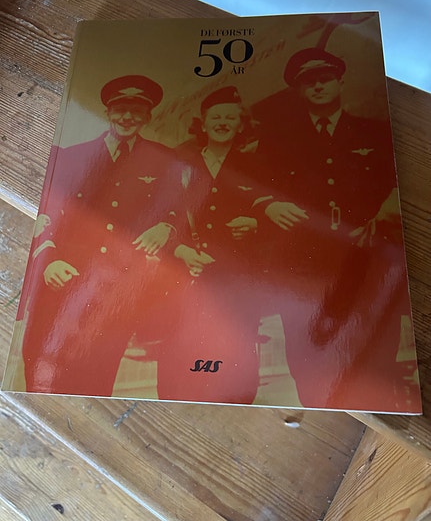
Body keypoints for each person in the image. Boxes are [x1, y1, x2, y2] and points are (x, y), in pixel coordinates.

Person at [255, 47, 417, 411]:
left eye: (325, 79)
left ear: (340, 82)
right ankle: (315, 407)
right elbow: (254, 181)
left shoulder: (373, 131)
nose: (318, 86)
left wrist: (386, 212)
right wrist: (268, 204)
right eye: (308, 82)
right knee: (305, 347)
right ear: (299, 90)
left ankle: (385, 407)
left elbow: (395, 185)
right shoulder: (281, 139)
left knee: (376, 344)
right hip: (304, 262)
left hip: (365, 257)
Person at [21, 75, 179, 396]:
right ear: (107, 112)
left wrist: (167, 228)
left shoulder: (164, 160)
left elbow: (178, 206)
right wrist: (49, 260)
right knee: (44, 367)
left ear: (148, 116)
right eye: (120, 109)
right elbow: (49, 213)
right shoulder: (72, 155)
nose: (127, 117)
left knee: (99, 372)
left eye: (137, 111)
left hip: (117, 287)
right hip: (65, 278)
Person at [156, 86, 263, 404]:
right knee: (180, 344)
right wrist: (181, 251)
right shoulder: (181, 162)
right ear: (202, 123)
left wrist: (255, 223)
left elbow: (271, 218)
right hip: (187, 269)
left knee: (236, 344)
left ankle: (238, 398)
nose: (222, 123)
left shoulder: (256, 165)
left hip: (237, 275)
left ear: (240, 124)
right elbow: (161, 215)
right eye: (216, 117)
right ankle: (175, 396)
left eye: (230, 117)